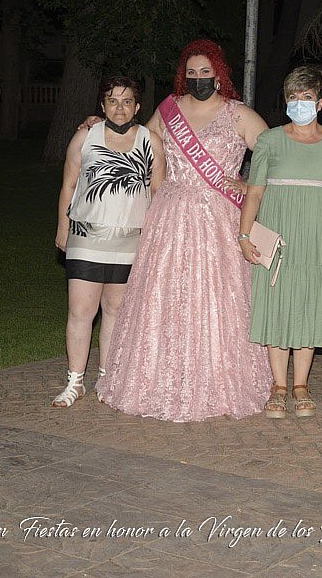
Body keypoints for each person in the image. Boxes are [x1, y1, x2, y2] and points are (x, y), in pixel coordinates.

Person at [95, 40, 273, 421]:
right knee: (164, 299)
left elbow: (275, 153)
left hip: (220, 221)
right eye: (191, 73)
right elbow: (135, 142)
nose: (198, 78)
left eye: (205, 72)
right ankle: (158, 379)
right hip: (170, 219)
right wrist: (99, 126)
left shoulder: (238, 114)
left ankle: (218, 382)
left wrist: (249, 185)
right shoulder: (169, 110)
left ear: (219, 74)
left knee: (218, 301)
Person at [239, 66, 322, 419]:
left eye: (307, 97)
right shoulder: (269, 140)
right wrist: (244, 234)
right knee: (277, 303)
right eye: (293, 97)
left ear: (320, 103)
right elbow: (255, 192)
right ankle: (278, 386)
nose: (300, 103)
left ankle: (301, 384)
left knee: (308, 303)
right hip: (278, 233)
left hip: (318, 239)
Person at [52, 77, 164, 407]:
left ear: (137, 107)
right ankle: (75, 382)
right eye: (112, 101)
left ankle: (107, 379)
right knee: (80, 312)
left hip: (130, 241)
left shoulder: (150, 141)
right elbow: (68, 185)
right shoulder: (85, 136)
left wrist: (156, 239)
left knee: (115, 311)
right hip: (87, 237)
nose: (119, 108)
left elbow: (159, 193)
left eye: (126, 101)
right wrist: (62, 227)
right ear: (102, 105)